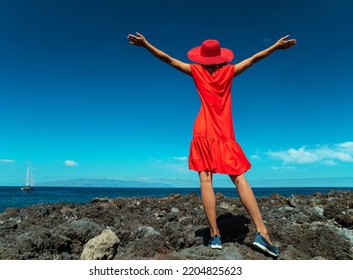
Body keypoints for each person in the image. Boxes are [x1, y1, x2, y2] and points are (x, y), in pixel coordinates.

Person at [127, 32, 296, 257]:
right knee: (239, 178)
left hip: (202, 130)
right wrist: (274, 46)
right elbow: (254, 58)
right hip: (224, 132)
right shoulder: (229, 71)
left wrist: (146, 44)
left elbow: (168, 59)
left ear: (201, 58)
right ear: (220, 57)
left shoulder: (195, 71)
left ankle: (215, 236)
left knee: (205, 180)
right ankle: (262, 233)